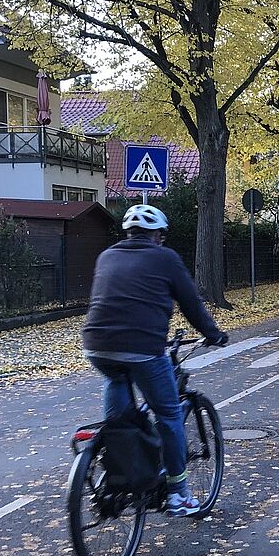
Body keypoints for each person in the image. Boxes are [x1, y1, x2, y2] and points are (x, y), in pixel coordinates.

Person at [82, 204, 228, 517]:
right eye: (161, 235)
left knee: (121, 413)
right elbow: (191, 303)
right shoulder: (165, 258)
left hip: (97, 346)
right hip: (143, 348)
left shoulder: (107, 256)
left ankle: (120, 471)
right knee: (169, 414)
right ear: (157, 235)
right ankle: (178, 494)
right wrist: (213, 333)